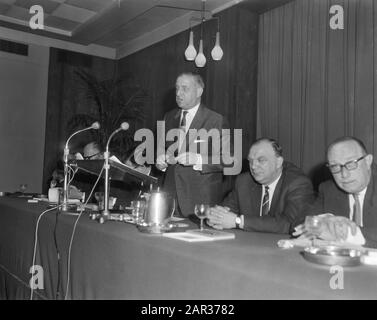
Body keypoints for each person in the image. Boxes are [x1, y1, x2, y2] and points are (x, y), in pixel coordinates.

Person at [156, 72, 231, 218]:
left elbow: (228, 160)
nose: (178, 93)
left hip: (199, 201)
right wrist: (161, 162)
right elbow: (163, 152)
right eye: (177, 88)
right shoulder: (169, 117)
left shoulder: (215, 120)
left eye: (184, 88)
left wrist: (198, 159)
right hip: (170, 198)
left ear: (199, 91)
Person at [207, 138, 314, 234]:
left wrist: (238, 221)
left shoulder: (298, 183)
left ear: (278, 162)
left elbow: (290, 224)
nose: (253, 166)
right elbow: (226, 211)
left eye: (261, 160)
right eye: (250, 161)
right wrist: (215, 216)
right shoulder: (244, 181)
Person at [295, 136, 377, 247]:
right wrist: (325, 220)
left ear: (368, 161)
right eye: (335, 167)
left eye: (351, 163)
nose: (344, 174)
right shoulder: (328, 189)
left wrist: (347, 233)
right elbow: (297, 224)